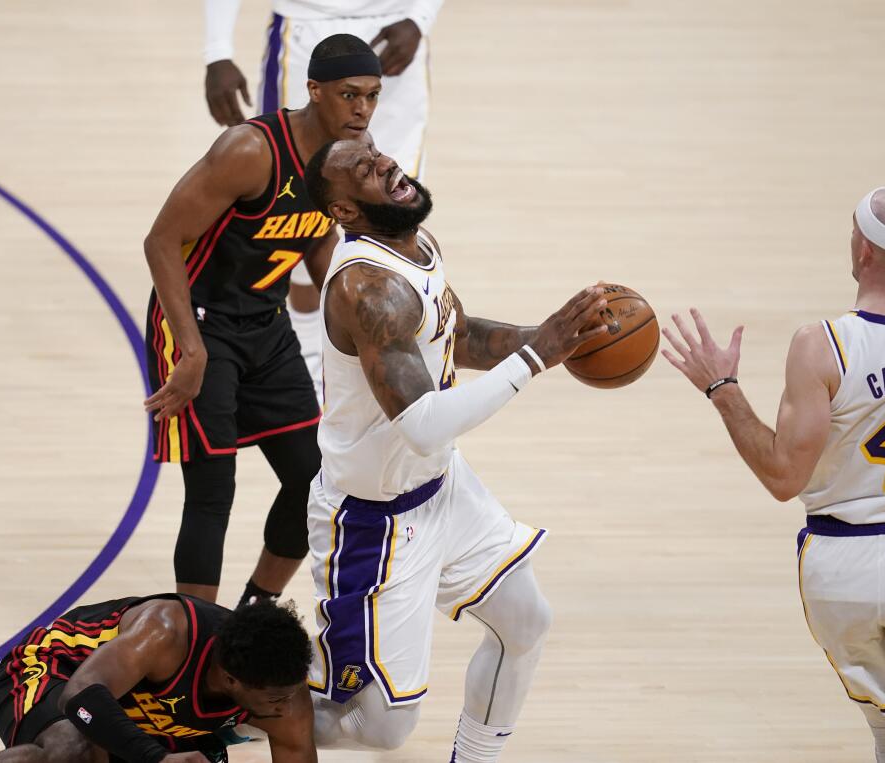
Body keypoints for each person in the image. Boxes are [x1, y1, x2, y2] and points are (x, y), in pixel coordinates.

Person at [300, 138, 608, 760]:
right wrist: (534, 356)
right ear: (345, 212)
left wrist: (554, 338)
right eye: (365, 170)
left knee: (526, 622)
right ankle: (220, 713)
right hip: (373, 522)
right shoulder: (366, 289)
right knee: (381, 729)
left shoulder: (418, 245)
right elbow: (424, 424)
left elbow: (456, 337)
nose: (386, 163)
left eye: (378, 153)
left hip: (442, 488)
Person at [661, 187, 885, 763]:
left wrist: (723, 390)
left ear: (863, 250)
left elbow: (781, 476)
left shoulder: (823, 346)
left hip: (841, 568)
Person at [143, 35, 382, 608]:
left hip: (265, 323)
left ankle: (253, 615)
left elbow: (320, 240)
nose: (362, 110)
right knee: (212, 489)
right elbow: (160, 242)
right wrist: (192, 352)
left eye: (373, 96)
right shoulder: (249, 151)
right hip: (198, 323)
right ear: (314, 90)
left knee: (314, 480)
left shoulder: (348, 153)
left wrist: (369, 327)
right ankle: (197, 640)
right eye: (350, 94)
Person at [203, 0, 444, 402]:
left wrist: (421, 18)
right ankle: (312, 364)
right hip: (306, 29)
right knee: (299, 215)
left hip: (396, 35)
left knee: (393, 214)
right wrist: (217, 51)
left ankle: (389, 357)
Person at [0, 596, 316, 762]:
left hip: (138, 713)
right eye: (276, 699)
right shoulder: (166, 632)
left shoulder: (285, 688)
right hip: (57, 670)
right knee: (74, 747)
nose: (287, 707)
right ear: (231, 680)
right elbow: (79, 698)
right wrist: (156, 759)